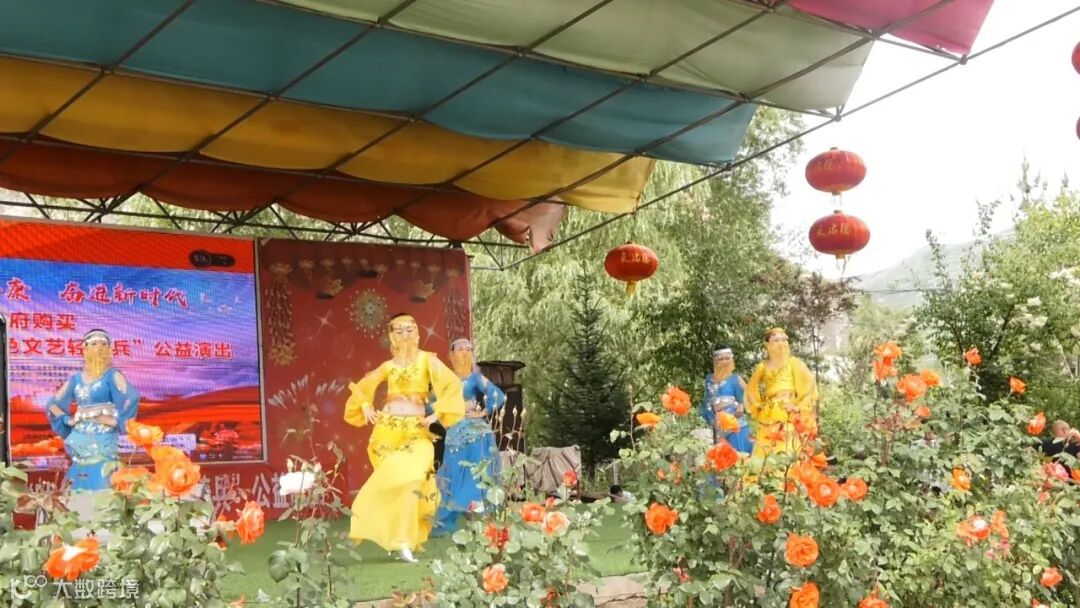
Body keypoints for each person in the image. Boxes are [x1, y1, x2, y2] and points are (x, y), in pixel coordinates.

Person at [343, 314, 465, 563]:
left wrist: (438, 412)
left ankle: (404, 539)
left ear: (418, 333)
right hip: (387, 433)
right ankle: (397, 539)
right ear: (392, 337)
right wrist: (365, 405)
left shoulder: (428, 360)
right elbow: (362, 386)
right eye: (399, 331)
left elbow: (453, 384)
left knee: (414, 480)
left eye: (410, 329)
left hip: (418, 432)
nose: (405, 335)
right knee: (397, 486)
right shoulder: (388, 367)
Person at [45, 329, 140, 491]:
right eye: (94, 344)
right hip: (80, 437)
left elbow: (132, 397)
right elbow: (52, 404)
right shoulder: (76, 379)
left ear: (109, 349)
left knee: (103, 476)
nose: (99, 348)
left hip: (104, 436)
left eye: (103, 344)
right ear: (85, 349)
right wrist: (69, 420)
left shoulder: (112, 375)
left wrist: (116, 421)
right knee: (80, 476)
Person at [431, 338, 506, 535]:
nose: (464, 352)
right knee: (454, 474)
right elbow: (432, 405)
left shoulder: (475, 378)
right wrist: (444, 416)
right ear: (451, 354)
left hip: (477, 433)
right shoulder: (444, 379)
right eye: (460, 349)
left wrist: (483, 412)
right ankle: (464, 517)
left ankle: (478, 521)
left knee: (477, 474)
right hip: (455, 433)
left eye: (469, 349)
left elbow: (499, 396)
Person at [745, 328, 817, 461]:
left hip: (790, 412)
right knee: (767, 447)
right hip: (769, 413)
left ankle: (789, 473)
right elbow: (750, 389)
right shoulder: (762, 367)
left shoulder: (793, 363)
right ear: (767, 344)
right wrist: (758, 405)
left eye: (783, 339)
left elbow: (810, 387)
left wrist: (798, 406)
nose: (781, 343)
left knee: (789, 446)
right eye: (776, 340)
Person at [700, 345, 753, 454]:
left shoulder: (735, 379)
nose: (724, 362)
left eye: (727, 358)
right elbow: (707, 401)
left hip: (736, 427)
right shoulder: (709, 379)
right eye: (721, 359)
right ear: (715, 360)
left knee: (739, 457)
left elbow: (750, 396)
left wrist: (742, 406)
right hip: (717, 428)